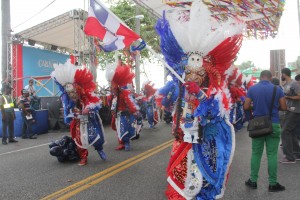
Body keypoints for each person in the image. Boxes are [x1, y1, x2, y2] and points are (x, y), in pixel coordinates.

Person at [156, 1, 247, 199]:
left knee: (202, 185)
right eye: (188, 72)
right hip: (183, 140)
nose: (192, 76)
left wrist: (199, 94)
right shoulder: (180, 86)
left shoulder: (216, 90)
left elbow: (216, 111)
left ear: (206, 73)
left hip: (206, 144)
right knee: (180, 183)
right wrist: (169, 99)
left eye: (198, 72)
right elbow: (167, 103)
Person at [51, 60, 106, 166]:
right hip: (77, 122)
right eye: (69, 93)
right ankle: (84, 157)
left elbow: (97, 104)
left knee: (94, 136)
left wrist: (88, 108)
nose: (72, 95)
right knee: (79, 140)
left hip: (89, 120)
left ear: (78, 90)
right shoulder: (67, 100)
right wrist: (69, 116)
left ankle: (99, 149)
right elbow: (67, 111)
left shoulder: (86, 95)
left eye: (73, 92)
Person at [244, 70, 287, 192]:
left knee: (256, 154)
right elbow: (284, 107)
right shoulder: (277, 89)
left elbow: (246, 106)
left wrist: (255, 106)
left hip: (258, 125)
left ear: (260, 77)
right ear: (270, 77)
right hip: (273, 123)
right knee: (272, 154)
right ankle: (273, 184)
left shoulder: (252, 89)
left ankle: (253, 181)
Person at [106, 62, 140, 151]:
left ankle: (126, 142)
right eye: (110, 85)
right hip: (117, 116)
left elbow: (130, 104)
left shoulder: (123, 93)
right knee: (119, 130)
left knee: (125, 130)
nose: (111, 87)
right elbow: (111, 105)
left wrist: (135, 112)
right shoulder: (112, 95)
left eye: (112, 85)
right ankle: (123, 143)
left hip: (124, 115)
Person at [280, 68, 300, 163]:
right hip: (288, 110)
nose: (281, 76)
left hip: (295, 111)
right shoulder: (286, 84)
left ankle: (289, 157)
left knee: (285, 131)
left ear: (284, 74)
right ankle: (297, 153)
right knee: (291, 132)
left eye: (281, 74)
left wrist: (288, 97)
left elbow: (299, 96)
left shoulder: (294, 83)